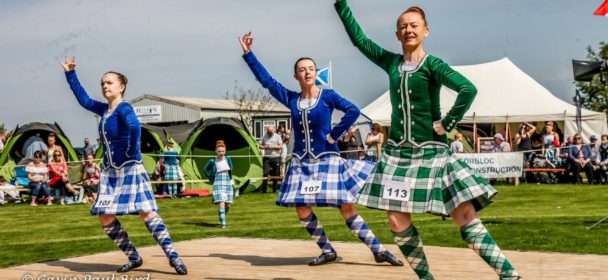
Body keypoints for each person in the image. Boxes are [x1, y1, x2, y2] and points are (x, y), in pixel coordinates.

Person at [334, 1, 522, 279]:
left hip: (433, 153)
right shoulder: (391, 62)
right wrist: (341, 5)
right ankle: (426, 278)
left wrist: (447, 123)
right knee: (396, 219)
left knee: (464, 214)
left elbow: (467, 89)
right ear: (397, 34)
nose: (408, 30)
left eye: (414, 25)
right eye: (403, 26)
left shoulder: (432, 64)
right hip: (398, 156)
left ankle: (509, 275)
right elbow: (360, 41)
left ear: (426, 31)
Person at [240, 31, 403, 267]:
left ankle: (377, 249)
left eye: (311, 68)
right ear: (296, 75)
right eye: (302, 69)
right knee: (301, 207)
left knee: (345, 206)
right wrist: (249, 55)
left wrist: (334, 135)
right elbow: (268, 82)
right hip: (301, 162)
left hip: (327, 159)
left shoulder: (327, 96)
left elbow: (353, 111)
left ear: (316, 73)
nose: (307, 72)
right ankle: (327, 250)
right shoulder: (292, 99)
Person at [60, 56, 187, 274]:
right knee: (105, 215)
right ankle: (134, 257)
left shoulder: (124, 108)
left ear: (122, 86)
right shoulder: (104, 110)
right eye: (102, 83)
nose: (105, 86)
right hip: (110, 173)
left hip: (130, 168)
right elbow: (84, 100)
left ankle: (174, 257)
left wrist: (132, 150)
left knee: (147, 213)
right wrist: (71, 75)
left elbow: (135, 126)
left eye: (109, 82)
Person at [204, 140, 234, 229]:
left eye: (223, 151)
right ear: (216, 151)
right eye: (219, 151)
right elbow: (205, 170)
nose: (221, 153)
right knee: (221, 201)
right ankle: (223, 222)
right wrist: (211, 178)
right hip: (218, 182)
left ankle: (221, 215)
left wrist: (231, 180)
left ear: (225, 151)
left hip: (227, 181)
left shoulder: (228, 159)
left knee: (228, 204)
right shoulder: (212, 161)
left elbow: (231, 169)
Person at [260, 126, 282, 193]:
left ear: (274, 130)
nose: (269, 133)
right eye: (268, 132)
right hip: (267, 157)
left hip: (276, 157)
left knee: (276, 174)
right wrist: (266, 147)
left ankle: (274, 189)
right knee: (265, 173)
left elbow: (280, 146)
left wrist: (273, 147)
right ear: (267, 131)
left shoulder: (278, 136)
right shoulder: (264, 136)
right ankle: (264, 190)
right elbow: (260, 146)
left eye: (271, 132)